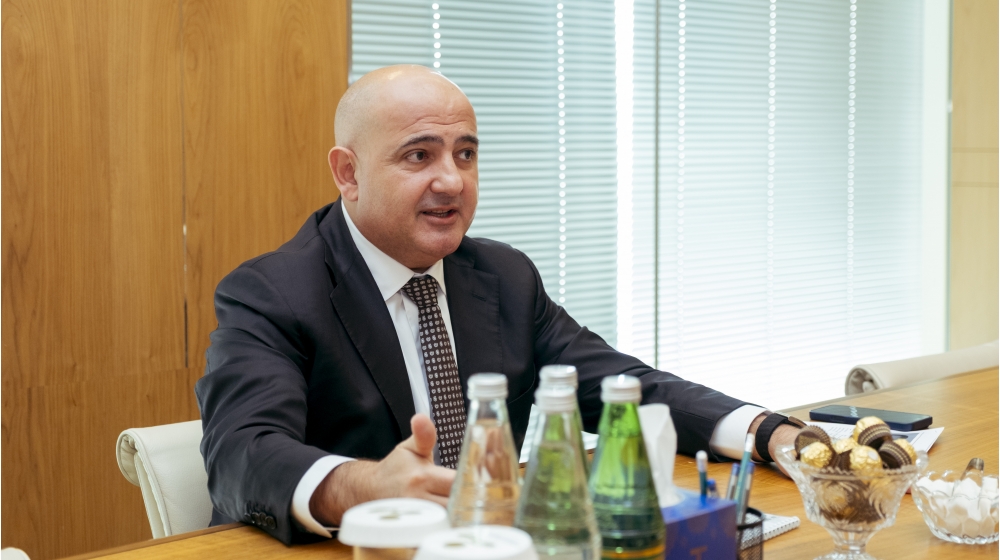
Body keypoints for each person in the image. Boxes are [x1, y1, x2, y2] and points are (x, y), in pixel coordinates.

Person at [196, 65, 802, 544]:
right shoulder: (271, 292)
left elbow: (621, 386)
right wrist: (364, 485)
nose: (452, 181)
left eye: (465, 154)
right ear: (348, 174)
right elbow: (241, 451)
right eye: (419, 155)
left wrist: (766, 431)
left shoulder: (502, 275)